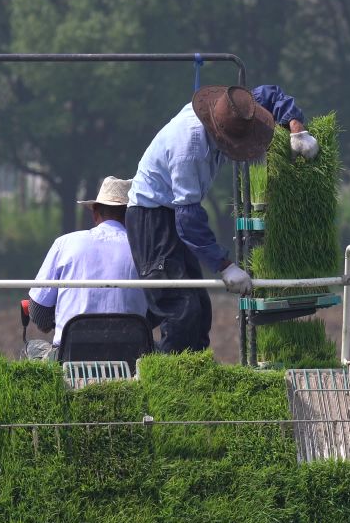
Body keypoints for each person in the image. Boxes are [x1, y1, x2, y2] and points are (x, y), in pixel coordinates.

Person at [127, 84, 318, 353]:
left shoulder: (233, 109)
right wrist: (225, 265)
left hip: (174, 211)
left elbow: (271, 95)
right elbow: (188, 219)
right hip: (152, 218)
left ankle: (197, 370)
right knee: (181, 309)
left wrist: (298, 129)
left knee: (201, 309)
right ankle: (163, 376)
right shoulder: (188, 148)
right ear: (219, 135)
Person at [23, 176, 148, 360]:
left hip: (71, 357)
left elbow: (38, 312)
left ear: (95, 211)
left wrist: (52, 321)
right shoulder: (145, 250)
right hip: (131, 355)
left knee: (31, 348)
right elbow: (158, 309)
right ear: (132, 215)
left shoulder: (65, 244)